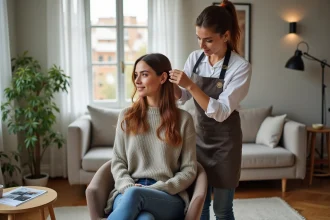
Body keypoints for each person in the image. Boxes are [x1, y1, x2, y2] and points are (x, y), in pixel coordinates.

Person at [169, 1, 252, 220]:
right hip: (197, 140)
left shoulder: (240, 66)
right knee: (199, 206)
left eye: (208, 40)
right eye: (199, 38)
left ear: (225, 36)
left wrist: (190, 85)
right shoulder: (195, 59)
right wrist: (170, 85)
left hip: (226, 144)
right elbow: (183, 97)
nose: (202, 45)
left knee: (222, 209)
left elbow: (222, 111)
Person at [104, 53, 197, 220]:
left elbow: (189, 169)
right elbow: (118, 160)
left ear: (162, 78)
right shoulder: (127, 116)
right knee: (145, 218)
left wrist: (160, 187)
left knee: (136, 195)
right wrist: (127, 185)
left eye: (144, 74)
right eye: (135, 75)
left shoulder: (184, 120)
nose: (137, 81)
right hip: (128, 191)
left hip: (167, 196)